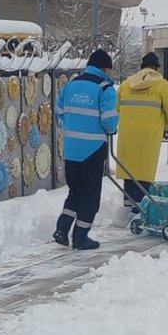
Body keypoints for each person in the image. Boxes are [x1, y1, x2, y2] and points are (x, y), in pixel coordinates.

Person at [53, 49, 119, 250]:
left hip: (71, 149)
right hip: (93, 149)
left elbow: (59, 113)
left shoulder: (71, 85)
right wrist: (112, 128)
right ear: (104, 67)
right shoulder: (105, 88)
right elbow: (109, 121)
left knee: (75, 192)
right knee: (90, 197)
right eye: (109, 68)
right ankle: (80, 237)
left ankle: (62, 230)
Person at [116, 52, 168, 211]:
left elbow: (116, 109)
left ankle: (128, 208)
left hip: (127, 137)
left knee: (129, 172)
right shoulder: (162, 86)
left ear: (142, 68)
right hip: (148, 138)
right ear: (157, 68)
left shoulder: (126, 85)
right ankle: (140, 212)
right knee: (144, 173)